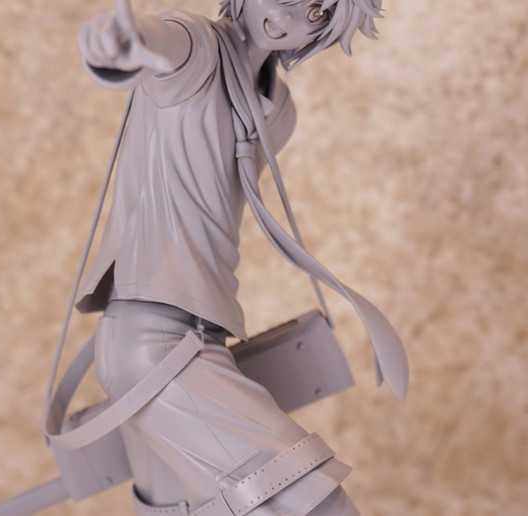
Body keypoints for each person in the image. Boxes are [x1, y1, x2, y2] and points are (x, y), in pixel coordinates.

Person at [76, 1, 392, 514]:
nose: (288, 19)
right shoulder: (199, 47)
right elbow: (163, 43)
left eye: (317, 11)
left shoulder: (277, 110)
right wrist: (125, 43)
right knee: (316, 502)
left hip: (199, 337)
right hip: (154, 346)